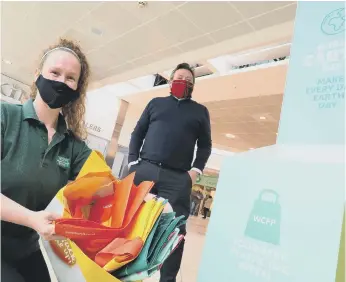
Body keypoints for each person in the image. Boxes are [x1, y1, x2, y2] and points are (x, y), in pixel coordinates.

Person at [1, 38, 92, 282]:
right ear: (37, 75)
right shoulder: (5, 118)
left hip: (27, 247)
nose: (61, 81)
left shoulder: (73, 146)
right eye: (55, 72)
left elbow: (105, 184)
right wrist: (32, 218)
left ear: (76, 89)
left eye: (70, 78)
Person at [128, 63, 212, 282]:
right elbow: (137, 133)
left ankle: (168, 279)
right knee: (129, 220)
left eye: (187, 79)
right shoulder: (155, 104)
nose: (182, 81)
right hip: (145, 169)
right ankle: (118, 270)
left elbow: (205, 146)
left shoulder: (200, 112)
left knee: (176, 231)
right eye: (178, 77)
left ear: (192, 86)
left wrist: (194, 172)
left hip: (177, 178)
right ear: (170, 82)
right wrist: (132, 162)